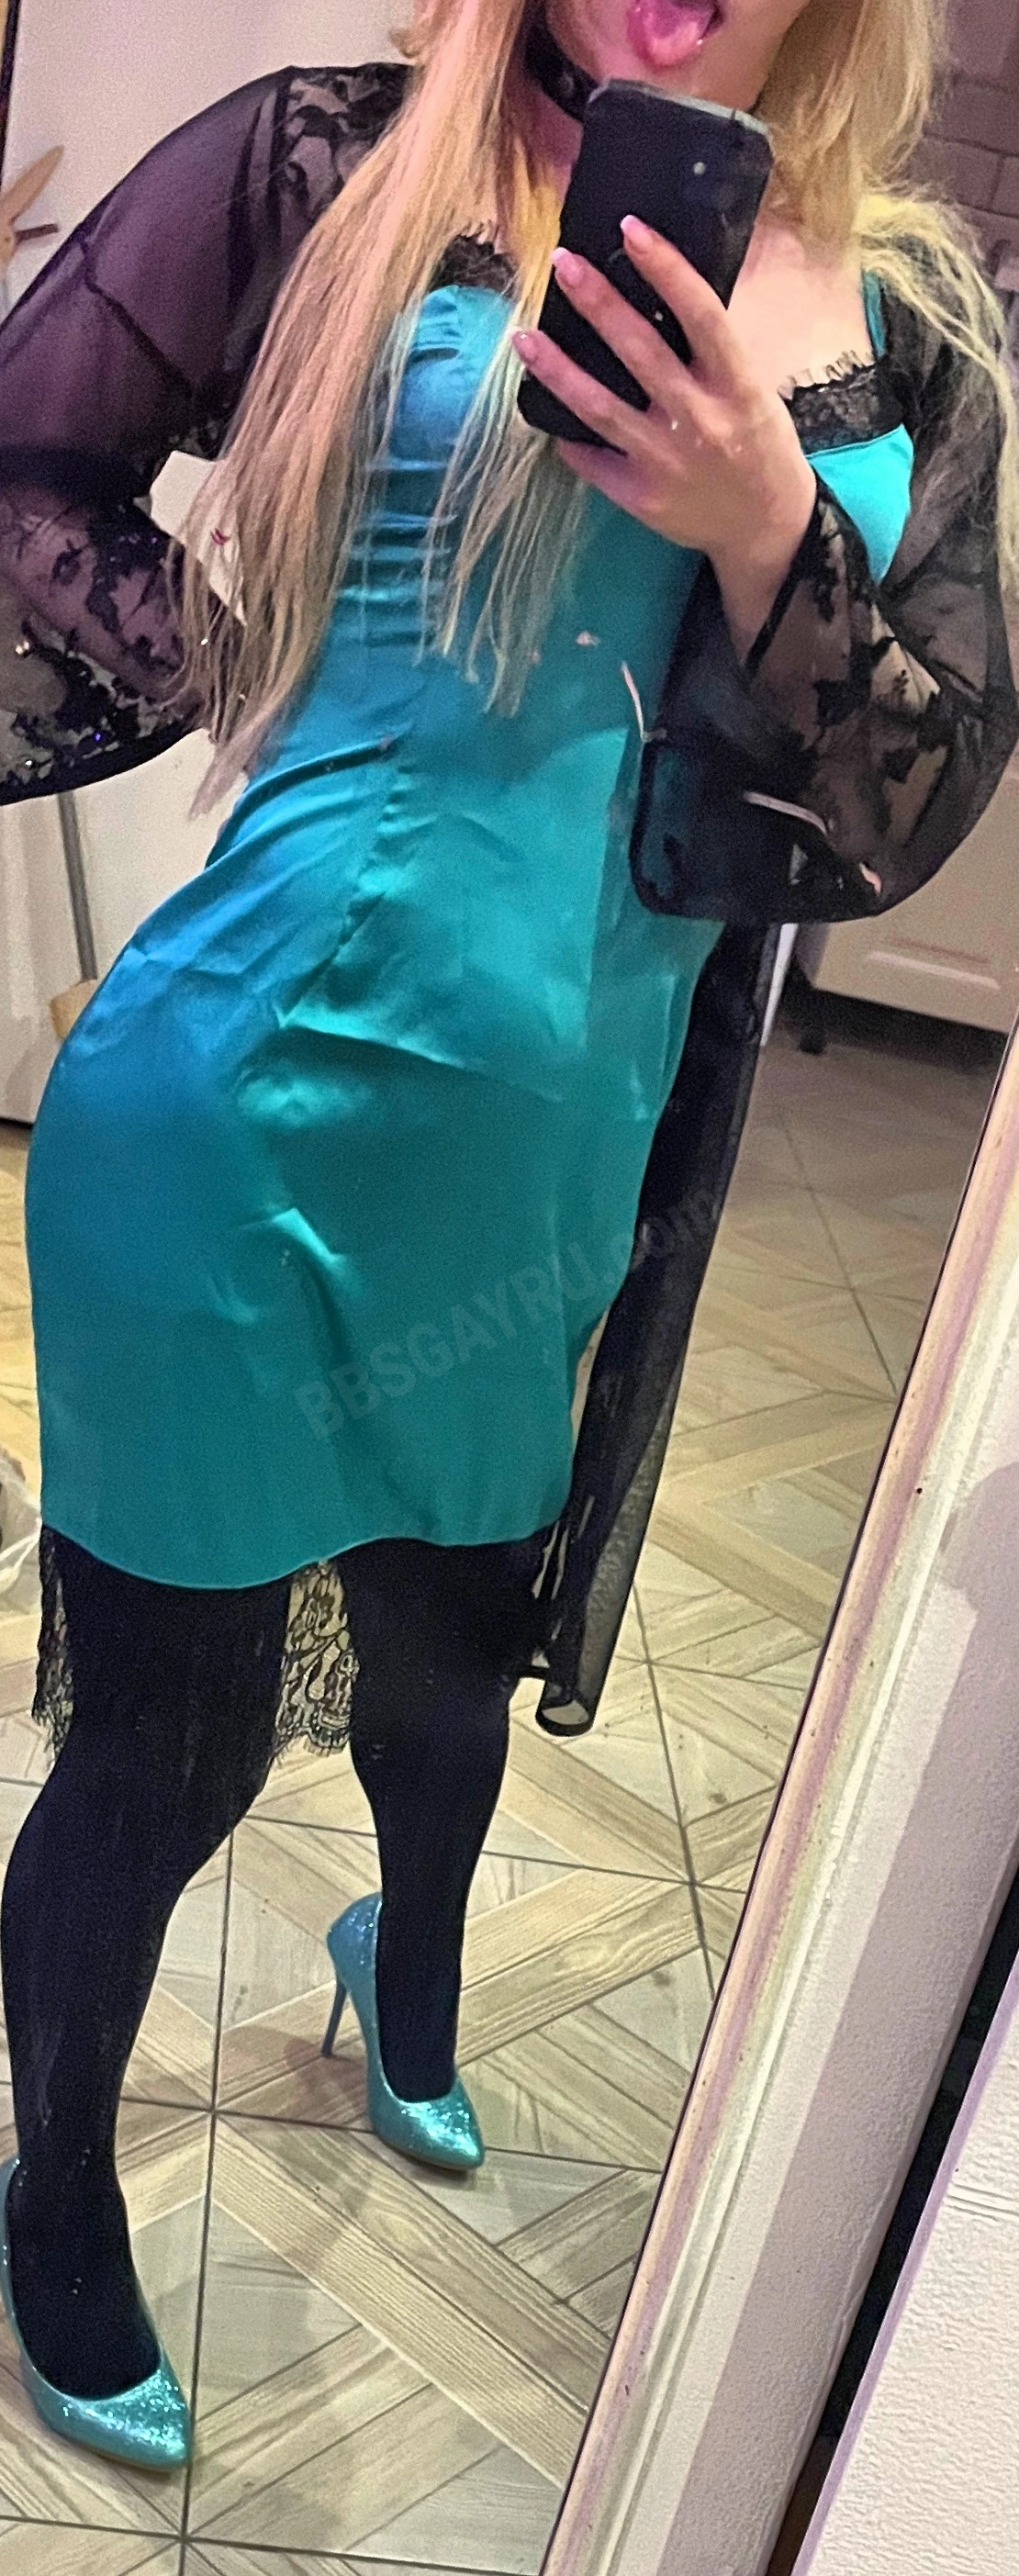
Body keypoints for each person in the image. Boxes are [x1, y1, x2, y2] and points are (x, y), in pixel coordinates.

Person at [0, 0, 1014, 2470]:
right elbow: (22, 455)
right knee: (172, 1743)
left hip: (554, 1172)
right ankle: (52, 2196)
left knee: (455, 1672)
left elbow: (913, 801)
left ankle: (413, 1973)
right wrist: (231, 649)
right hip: (226, 1123)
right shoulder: (337, 166)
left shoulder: (907, 328)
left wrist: (762, 518)